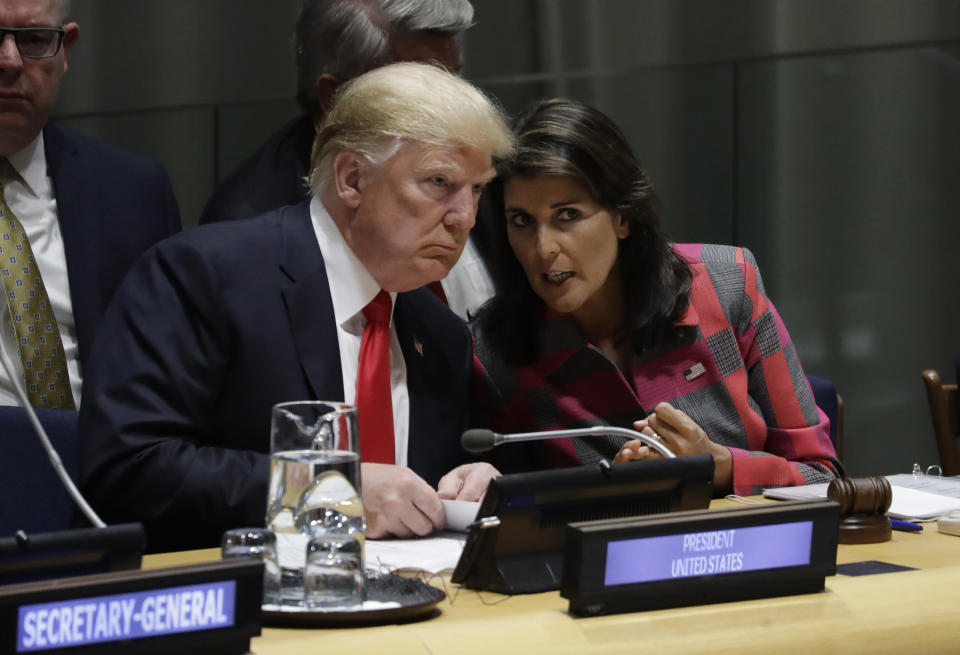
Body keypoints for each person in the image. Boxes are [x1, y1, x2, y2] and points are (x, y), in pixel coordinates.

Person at [79, 62, 513, 552]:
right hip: (239, 606)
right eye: (439, 182)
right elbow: (128, 468)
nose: (466, 218)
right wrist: (329, 491)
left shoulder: (439, 333)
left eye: (476, 190)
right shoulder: (204, 275)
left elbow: (405, 498)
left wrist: (467, 484)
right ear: (352, 178)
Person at [471, 98, 840, 496]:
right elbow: (511, 511)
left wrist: (718, 466)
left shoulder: (726, 283)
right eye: (522, 221)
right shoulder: (495, 351)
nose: (543, 249)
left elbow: (822, 477)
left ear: (623, 217)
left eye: (568, 216)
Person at [200, 0, 495, 320]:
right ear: (337, 97)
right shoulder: (248, 231)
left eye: (456, 80)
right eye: (425, 90)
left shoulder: (483, 167)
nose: (456, 109)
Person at [0, 0, 180, 409]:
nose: (9, 61)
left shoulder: (134, 193)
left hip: (102, 463)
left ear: (66, 50)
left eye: (34, 40)